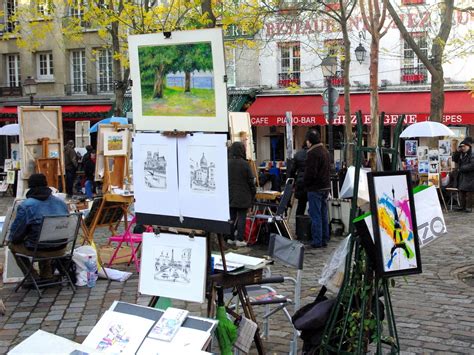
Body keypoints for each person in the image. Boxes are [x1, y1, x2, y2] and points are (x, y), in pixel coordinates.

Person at [9, 173, 69, 280]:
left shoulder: (27, 205)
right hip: (61, 248)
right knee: (44, 236)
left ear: (30, 187)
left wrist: (14, 238)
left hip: (40, 249)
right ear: (46, 185)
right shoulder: (61, 203)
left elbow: (16, 234)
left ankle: (32, 277)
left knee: (13, 245)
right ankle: (46, 274)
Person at [303, 130, 331, 248]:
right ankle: (325, 238)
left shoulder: (312, 153)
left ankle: (317, 240)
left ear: (310, 141)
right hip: (325, 186)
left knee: (316, 215)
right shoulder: (325, 151)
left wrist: (306, 183)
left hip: (315, 188)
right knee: (323, 213)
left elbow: (311, 173)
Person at [228, 142, 256, 247]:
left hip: (230, 195)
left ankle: (230, 237)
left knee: (231, 217)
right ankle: (240, 238)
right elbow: (250, 181)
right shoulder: (245, 164)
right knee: (242, 217)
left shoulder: (227, 163)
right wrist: (253, 193)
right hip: (243, 195)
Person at [452, 137, 474, 212]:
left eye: (464, 146)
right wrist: (457, 151)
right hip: (462, 175)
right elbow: (454, 159)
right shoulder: (461, 153)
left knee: (469, 192)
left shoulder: (472, 154)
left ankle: (468, 207)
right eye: (462, 146)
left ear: (469, 146)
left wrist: (461, 169)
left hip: (470, 175)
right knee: (461, 191)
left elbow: (472, 165)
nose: (463, 148)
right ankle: (462, 206)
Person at [291, 144, 308, 216]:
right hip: (312, 184)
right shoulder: (314, 153)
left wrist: (295, 180)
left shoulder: (297, 155)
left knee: (301, 205)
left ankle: (299, 224)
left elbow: (292, 170)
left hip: (301, 182)